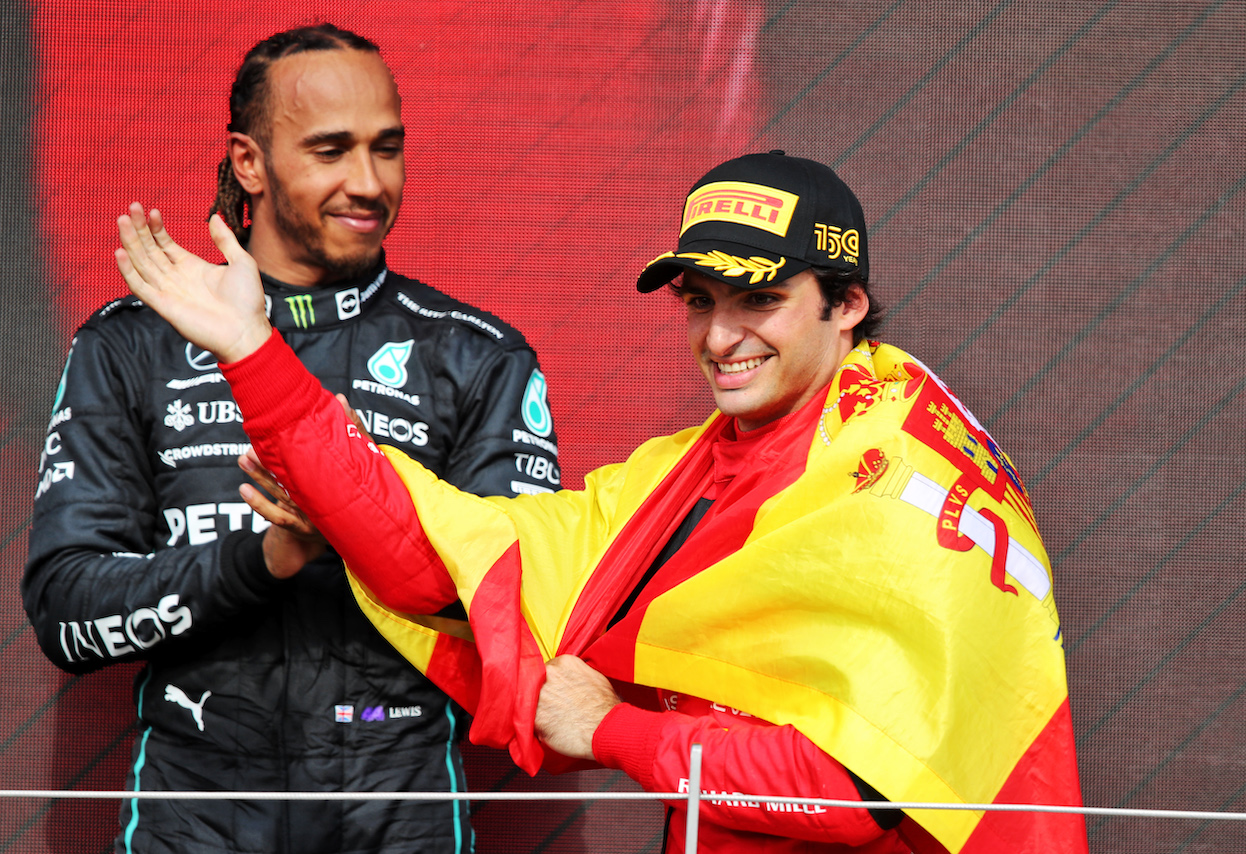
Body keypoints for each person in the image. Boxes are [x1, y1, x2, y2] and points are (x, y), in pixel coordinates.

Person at [114, 152, 1088, 853]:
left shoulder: (889, 475)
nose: (718, 336)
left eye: (757, 299)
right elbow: (441, 565)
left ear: (845, 305)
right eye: (698, 301)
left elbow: (856, 794)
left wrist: (616, 728)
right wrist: (256, 355)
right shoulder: (688, 471)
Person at [23, 24, 558, 854]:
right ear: (249, 163)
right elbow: (66, 615)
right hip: (195, 813)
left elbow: (522, 614)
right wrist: (260, 561)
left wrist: (357, 525)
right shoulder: (132, 344)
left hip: (399, 808)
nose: (369, 182)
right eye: (331, 150)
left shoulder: (474, 356)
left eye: (387, 149)